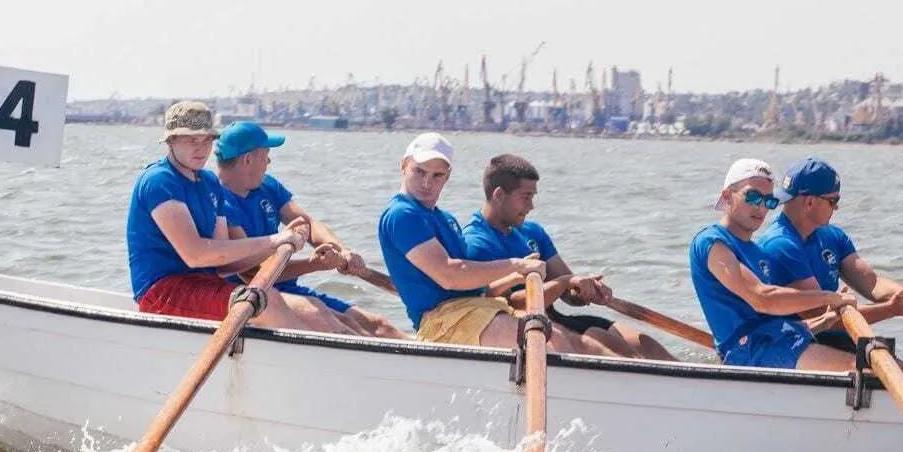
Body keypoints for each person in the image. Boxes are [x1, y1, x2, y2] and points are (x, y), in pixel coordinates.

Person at [377, 132, 601, 353]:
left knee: (571, 340)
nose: (426, 182)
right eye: (419, 171)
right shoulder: (402, 214)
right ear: (404, 166)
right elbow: (450, 276)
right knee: (550, 342)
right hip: (442, 321)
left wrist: (517, 275)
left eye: (437, 175)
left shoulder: (446, 219)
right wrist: (516, 265)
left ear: (447, 176)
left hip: (476, 308)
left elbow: (481, 289)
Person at [462, 154, 674, 360]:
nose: (531, 206)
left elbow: (570, 294)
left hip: (556, 317)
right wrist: (564, 283)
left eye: (533, 197)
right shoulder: (476, 243)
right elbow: (510, 303)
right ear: (499, 195)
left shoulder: (533, 231)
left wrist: (587, 289)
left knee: (645, 344)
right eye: (525, 197)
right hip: (527, 326)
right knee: (605, 341)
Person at [126, 101, 316, 328]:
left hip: (205, 284)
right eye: (191, 139)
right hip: (163, 292)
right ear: (171, 141)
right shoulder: (159, 181)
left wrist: (278, 246)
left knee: (284, 303)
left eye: (207, 139)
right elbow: (195, 255)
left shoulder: (209, 182)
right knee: (269, 302)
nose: (201, 148)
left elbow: (225, 265)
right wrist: (275, 240)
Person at [214, 121, 404, 338]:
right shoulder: (221, 204)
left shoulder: (267, 186)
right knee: (341, 326)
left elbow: (308, 223)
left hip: (288, 288)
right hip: (256, 294)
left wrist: (341, 251)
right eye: (264, 154)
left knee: (381, 326)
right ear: (248, 159)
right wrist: (314, 265)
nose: (268, 161)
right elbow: (255, 272)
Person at [757, 157, 903, 362]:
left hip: (833, 340)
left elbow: (872, 284)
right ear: (810, 202)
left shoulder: (832, 236)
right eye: (833, 202)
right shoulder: (780, 245)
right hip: (798, 343)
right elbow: (822, 315)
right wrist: (893, 309)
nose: (836, 209)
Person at [689, 158, 862, 371]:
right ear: (726, 196)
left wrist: (824, 320)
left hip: (776, 342)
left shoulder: (757, 253)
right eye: (752, 196)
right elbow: (762, 298)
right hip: (751, 352)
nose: (761, 207)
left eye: (769, 201)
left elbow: (768, 320)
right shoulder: (712, 242)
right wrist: (830, 297)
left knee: (869, 364)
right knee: (863, 371)